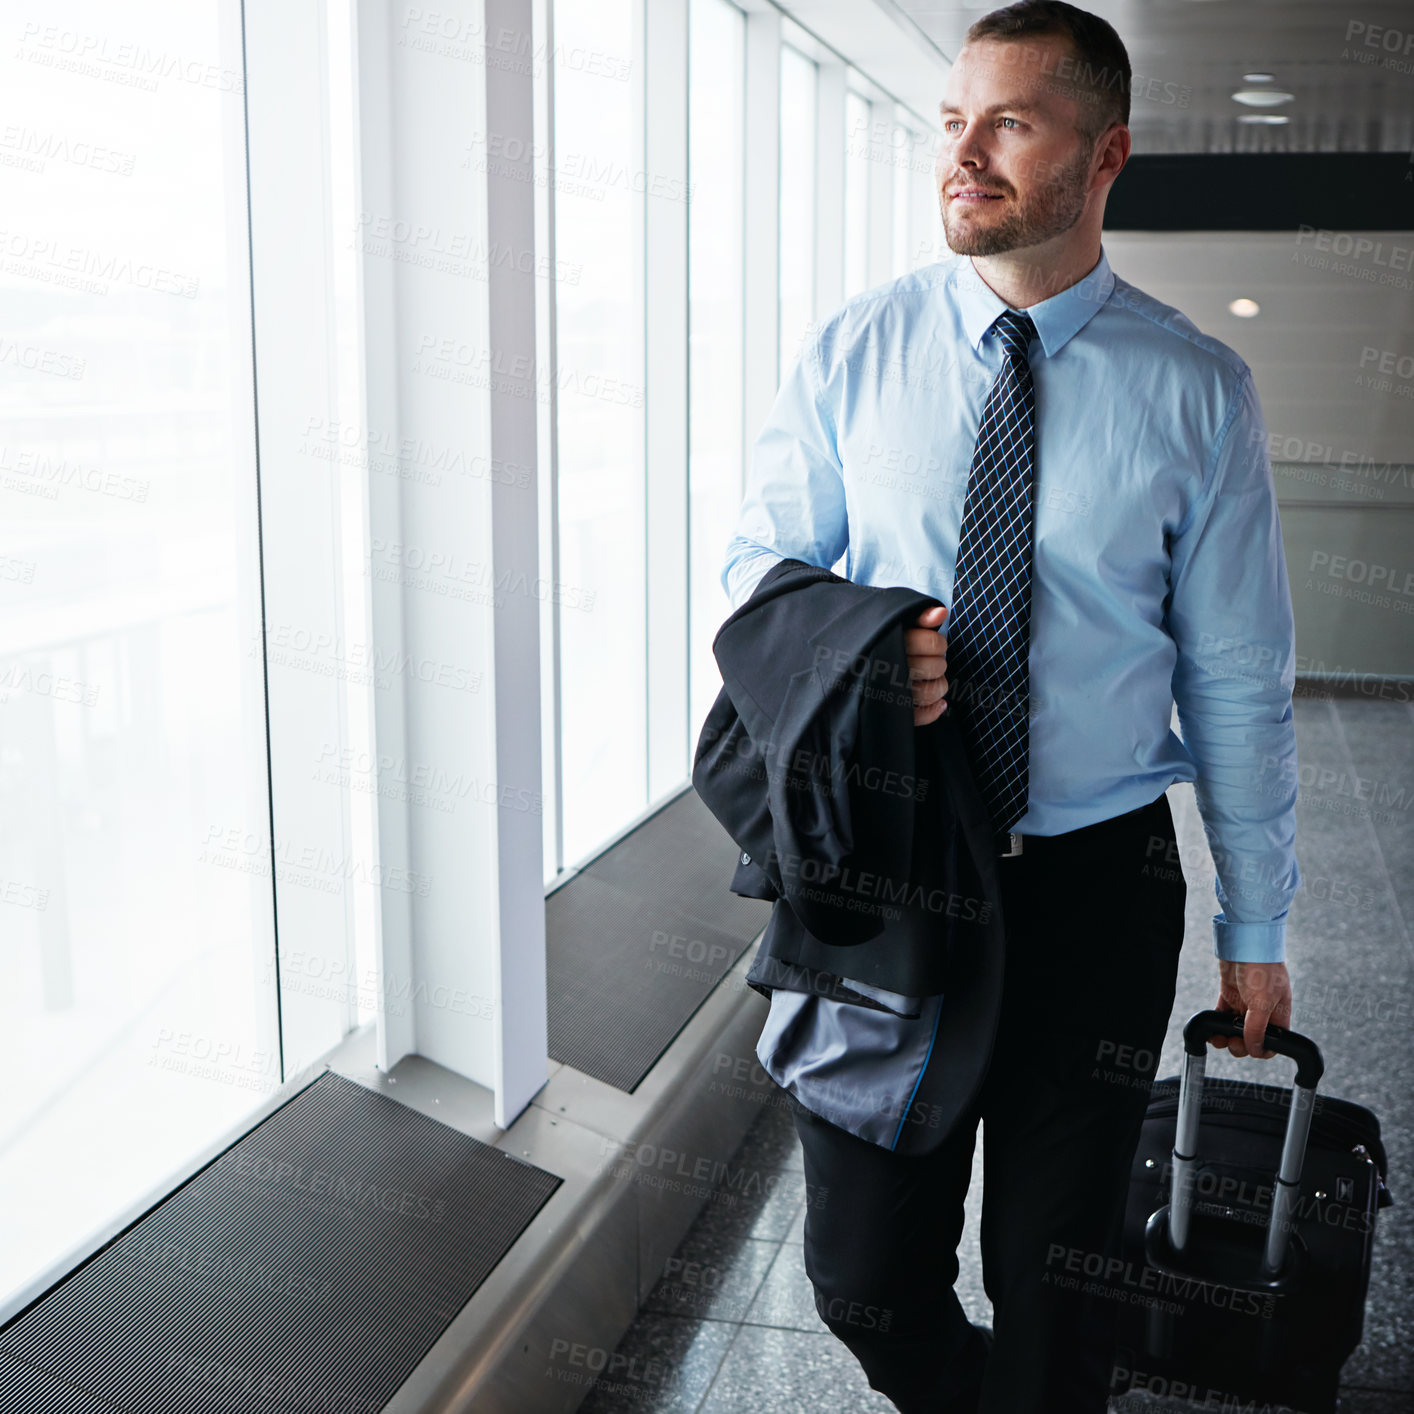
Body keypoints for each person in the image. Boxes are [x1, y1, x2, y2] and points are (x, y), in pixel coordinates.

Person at [718, 2, 1301, 1410]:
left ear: (1103, 156)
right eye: (948, 120)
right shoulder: (855, 350)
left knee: (1061, 1283)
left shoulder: (1195, 391)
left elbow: (1235, 673)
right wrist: (864, 645)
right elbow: (754, 576)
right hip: (896, 871)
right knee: (860, 1279)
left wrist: (1255, 929)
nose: (960, 156)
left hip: (1094, 888)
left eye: (1008, 123)